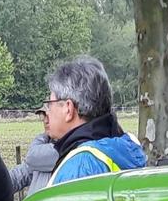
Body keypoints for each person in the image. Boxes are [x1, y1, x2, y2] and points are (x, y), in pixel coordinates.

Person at [39, 56, 146, 184]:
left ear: (68, 109)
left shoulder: (80, 167)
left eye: (50, 104)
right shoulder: (124, 146)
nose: (47, 111)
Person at [7, 133, 60, 199]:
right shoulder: (41, 160)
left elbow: (32, 156)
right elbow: (22, 173)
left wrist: (43, 136)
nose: (46, 122)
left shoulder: (64, 148)